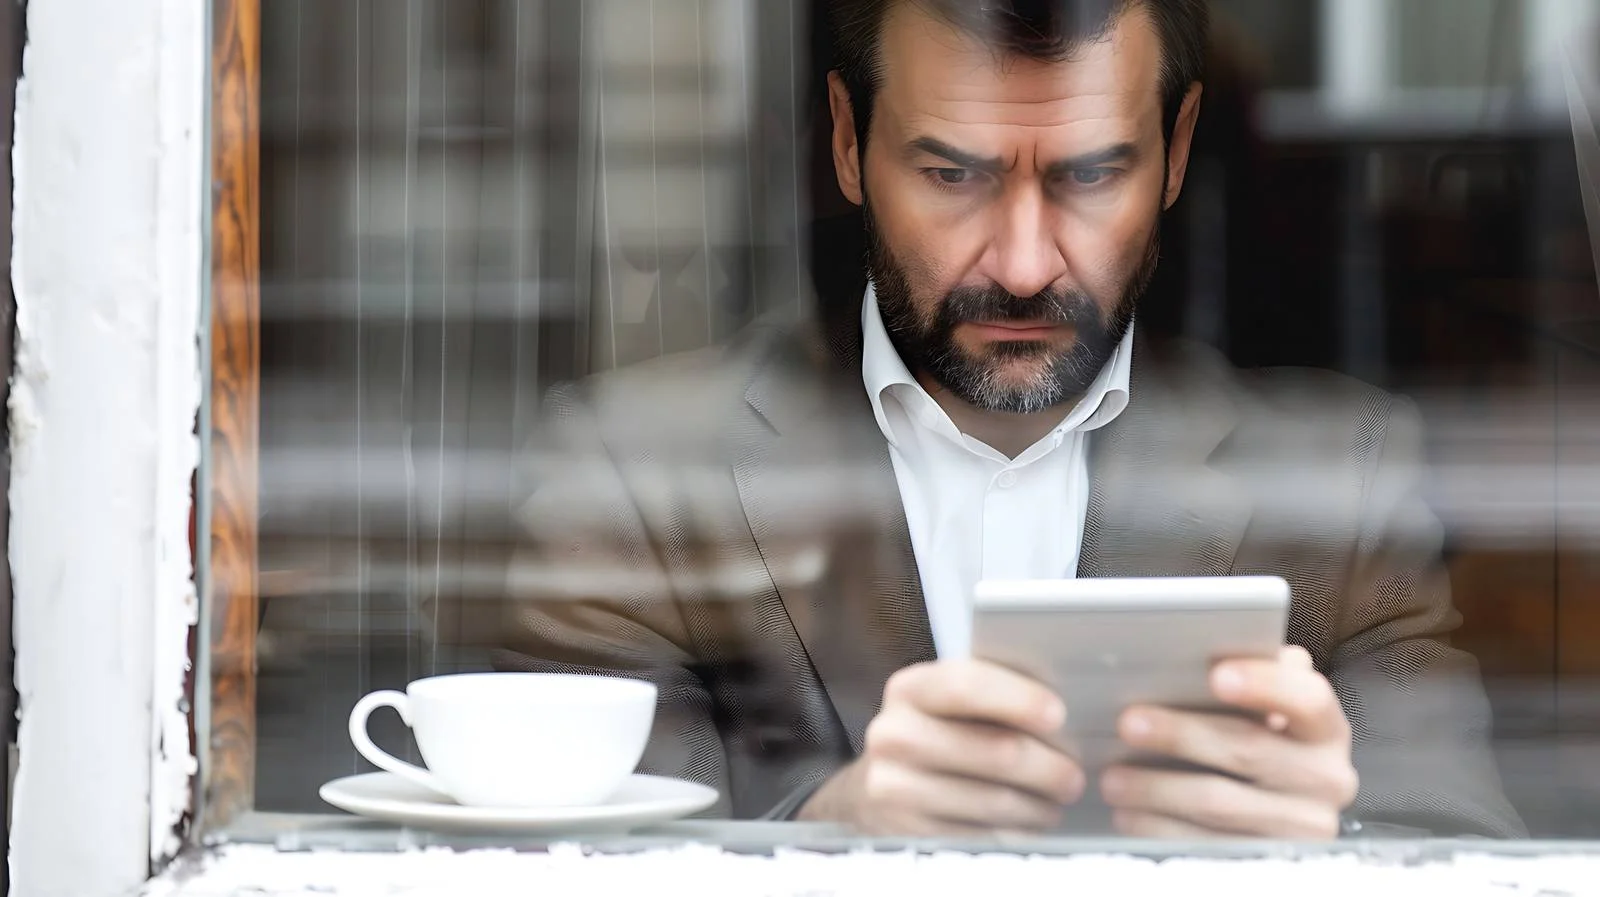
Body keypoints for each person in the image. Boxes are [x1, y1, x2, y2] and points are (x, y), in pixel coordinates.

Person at [483, 0, 1526, 839]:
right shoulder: (630, 469)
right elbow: (559, 856)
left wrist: (1336, 837)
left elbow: (1469, 844)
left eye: (1088, 173)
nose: (1023, 265)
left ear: (1176, 149)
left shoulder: (1346, 481)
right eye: (952, 174)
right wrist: (829, 834)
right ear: (847, 144)